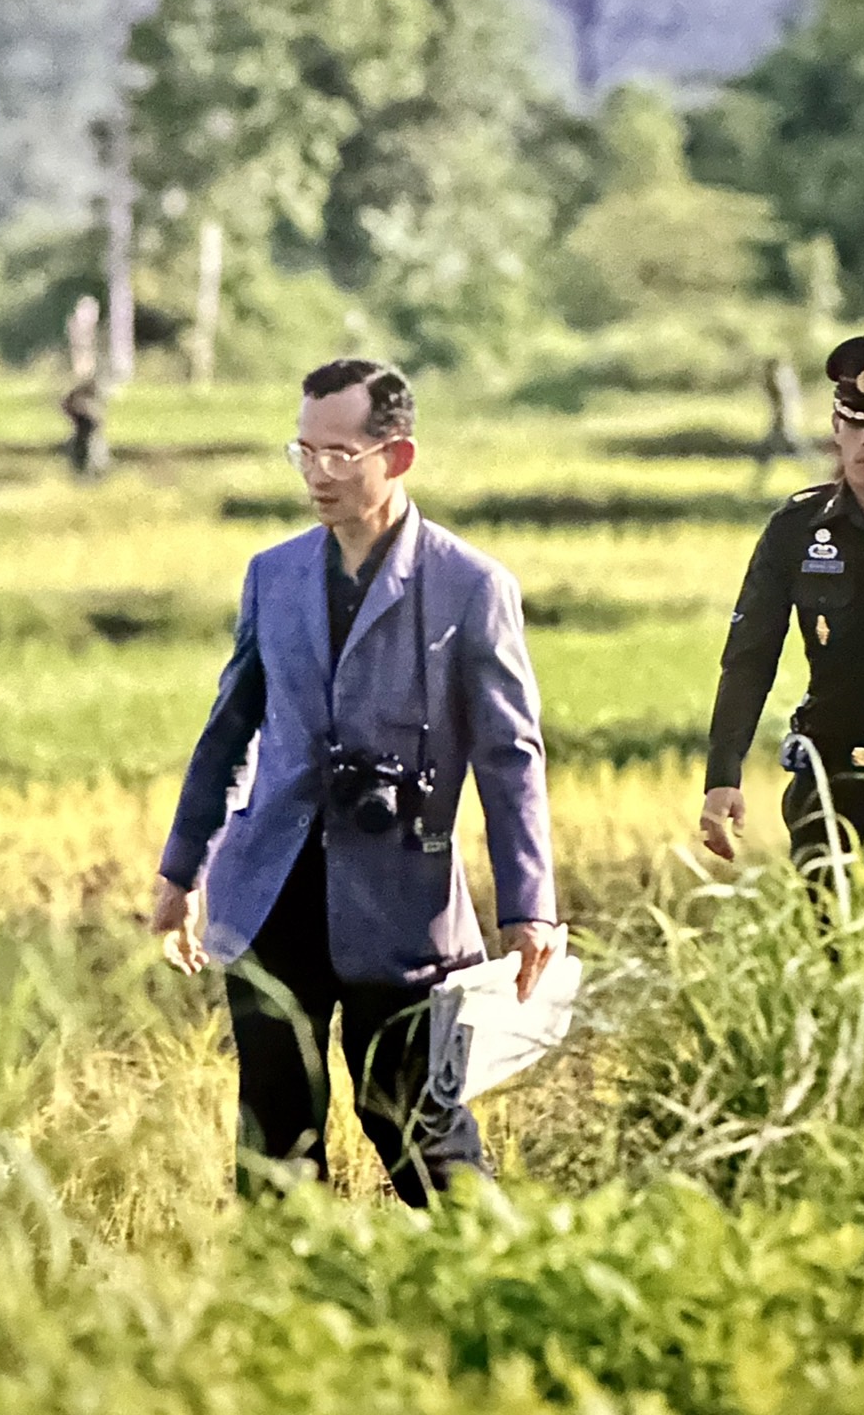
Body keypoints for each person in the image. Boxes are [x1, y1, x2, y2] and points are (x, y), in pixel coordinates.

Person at [148, 358, 559, 1204]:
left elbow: (510, 756)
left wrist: (530, 909)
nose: (318, 474)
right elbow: (230, 729)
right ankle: (292, 1282)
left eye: (339, 454)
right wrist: (182, 868)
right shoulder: (274, 574)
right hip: (272, 888)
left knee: (414, 1125)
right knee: (274, 1135)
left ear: (396, 456)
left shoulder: (470, 586)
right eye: (304, 452)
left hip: (401, 901)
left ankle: (491, 1268)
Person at [701, 335, 864, 871]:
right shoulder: (797, 530)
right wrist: (722, 776)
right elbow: (749, 658)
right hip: (832, 775)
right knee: (830, 918)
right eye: (856, 424)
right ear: (836, 428)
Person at [60, 378, 109, 478]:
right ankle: (87, 469)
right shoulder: (83, 403)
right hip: (85, 429)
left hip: (86, 429)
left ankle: (89, 469)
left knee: (89, 446)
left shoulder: (82, 402)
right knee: (87, 447)